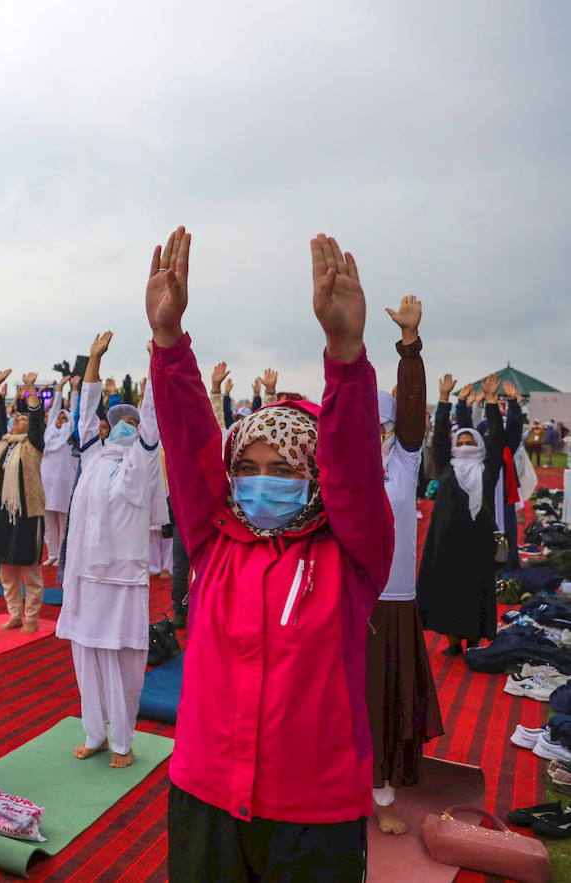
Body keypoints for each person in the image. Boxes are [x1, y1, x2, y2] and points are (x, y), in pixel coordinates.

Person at [150, 228, 392, 881]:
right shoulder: (215, 541)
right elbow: (190, 450)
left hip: (313, 813)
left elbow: (358, 474)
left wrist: (345, 355)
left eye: (284, 467)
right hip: (205, 795)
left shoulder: (350, 555)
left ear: (314, 474)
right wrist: (170, 346)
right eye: (250, 466)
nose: (263, 479)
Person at [56, 329, 164, 768]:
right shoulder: (94, 458)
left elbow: (153, 422)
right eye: (116, 419)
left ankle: (123, 742)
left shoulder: (140, 464)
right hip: (85, 578)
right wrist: (93, 362)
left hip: (121, 580)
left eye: (130, 421)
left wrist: (157, 366)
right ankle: (94, 734)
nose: (121, 424)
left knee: (122, 666)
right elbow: (85, 416)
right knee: (86, 659)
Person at [367, 295, 444, 836]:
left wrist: (409, 347)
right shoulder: (335, 464)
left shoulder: (404, 459)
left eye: (376, 422)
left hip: (391, 602)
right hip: (344, 601)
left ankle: (383, 794)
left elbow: (414, 409)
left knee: (384, 705)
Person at [417, 373, 505, 655]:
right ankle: (453, 641)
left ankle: (474, 641)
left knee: (475, 589)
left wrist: (492, 402)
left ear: (479, 447)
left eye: (471, 442)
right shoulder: (446, 467)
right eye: (462, 442)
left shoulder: (487, 470)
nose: (465, 446)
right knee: (447, 590)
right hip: (445, 540)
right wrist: (443, 400)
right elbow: (440, 437)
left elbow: (498, 438)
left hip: (477, 541)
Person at [0, 369, 47, 633]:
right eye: (15, 417)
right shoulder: (0, 444)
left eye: (21, 418)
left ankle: (31, 616)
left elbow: (37, 418)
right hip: (1, 514)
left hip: (28, 512)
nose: (17, 419)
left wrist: (30, 387)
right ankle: (14, 614)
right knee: (6, 571)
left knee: (30, 571)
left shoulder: (33, 445)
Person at [41, 375, 78, 565]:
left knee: (64, 523)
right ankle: (52, 554)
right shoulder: (49, 434)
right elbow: (54, 408)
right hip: (47, 484)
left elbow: (77, 412)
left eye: (65, 418)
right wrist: (59, 388)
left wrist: (74, 390)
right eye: (59, 417)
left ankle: (63, 554)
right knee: (49, 522)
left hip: (64, 485)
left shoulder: (71, 434)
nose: (61, 420)